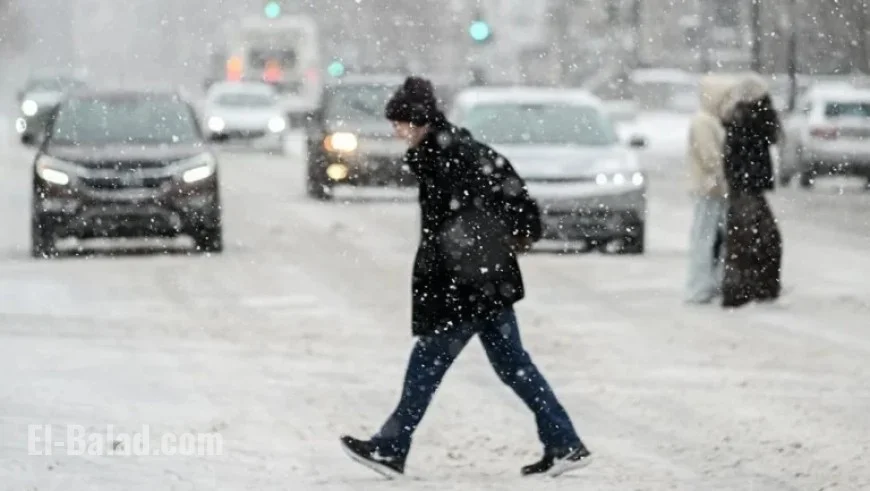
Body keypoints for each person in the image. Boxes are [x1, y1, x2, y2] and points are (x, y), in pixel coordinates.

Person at [339, 77, 591, 478]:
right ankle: (564, 442)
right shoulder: (449, 150)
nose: (394, 130)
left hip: (468, 285)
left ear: (417, 120)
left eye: (399, 122)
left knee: (427, 364)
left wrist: (462, 270)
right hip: (484, 282)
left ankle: (390, 447)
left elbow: (468, 222)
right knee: (513, 367)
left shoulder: (448, 157)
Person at [720, 73, 783, 308]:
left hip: (745, 187)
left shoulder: (744, 119)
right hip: (747, 188)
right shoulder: (750, 120)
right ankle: (747, 290)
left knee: (749, 239)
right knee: (752, 240)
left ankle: (746, 289)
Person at [685, 74, 736, 304]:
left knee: (714, 238)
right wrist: (724, 173)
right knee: (705, 238)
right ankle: (700, 287)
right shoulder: (704, 122)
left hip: (715, 188)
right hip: (709, 189)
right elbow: (710, 157)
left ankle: (711, 283)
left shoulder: (710, 121)